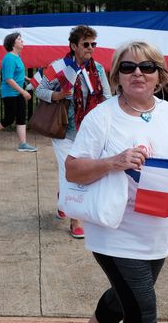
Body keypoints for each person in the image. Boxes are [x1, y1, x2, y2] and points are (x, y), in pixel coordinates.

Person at [65, 41, 168, 323]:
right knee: (143, 313)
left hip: (158, 231)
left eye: (147, 67)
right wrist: (113, 162)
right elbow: (72, 170)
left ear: (159, 75)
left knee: (121, 298)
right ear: (117, 75)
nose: (138, 73)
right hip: (116, 231)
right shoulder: (102, 117)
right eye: (128, 67)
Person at [35, 25, 110, 238]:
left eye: (93, 44)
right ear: (74, 46)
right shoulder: (59, 67)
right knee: (69, 173)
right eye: (86, 44)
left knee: (86, 172)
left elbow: (106, 96)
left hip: (89, 133)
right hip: (65, 132)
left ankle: (64, 198)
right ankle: (76, 218)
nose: (90, 48)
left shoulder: (98, 69)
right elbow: (40, 90)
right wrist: (58, 96)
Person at [0, 33, 38, 152]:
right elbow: (8, 78)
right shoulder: (9, 58)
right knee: (9, 118)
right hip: (10, 93)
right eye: (19, 39)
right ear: (13, 44)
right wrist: (23, 91)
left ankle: (23, 144)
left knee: (21, 117)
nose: (22, 41)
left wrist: (27, 79)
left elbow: (16, 74)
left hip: (17, 92)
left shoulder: (17, 57)